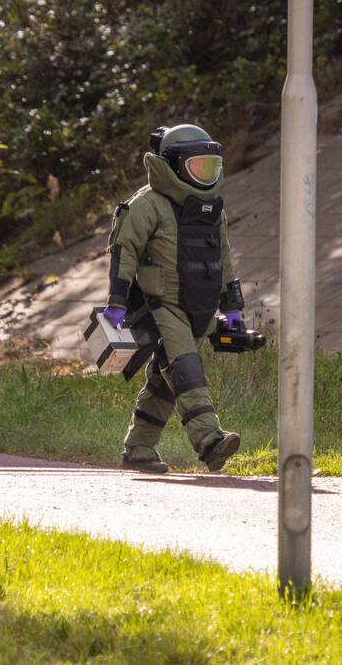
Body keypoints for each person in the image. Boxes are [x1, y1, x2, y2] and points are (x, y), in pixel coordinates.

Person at [103, 124, 246, 474]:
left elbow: (224, 259)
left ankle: (138, 449)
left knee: (164, 385)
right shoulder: (146, 206)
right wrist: (118, 302)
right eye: (198, 166)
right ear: (171, 166)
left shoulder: (212, 211)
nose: (206, 174)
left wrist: (232, 308)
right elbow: (124, 252)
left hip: (199, 307)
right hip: (161, 306)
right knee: (186, 370)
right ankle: (210, 442)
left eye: (211, 167)